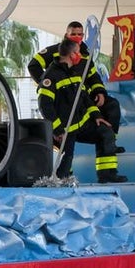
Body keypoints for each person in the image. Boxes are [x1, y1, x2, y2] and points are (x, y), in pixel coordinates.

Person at [38, 37, 127, 183]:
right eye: (78, 52)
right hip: (66, 130)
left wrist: (97, 115)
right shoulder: (50, 76)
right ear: (72, 54)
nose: (81, 55)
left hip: (83, 123)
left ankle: (107, 175)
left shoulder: (75, 72)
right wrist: (58, 130)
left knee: (106, 133)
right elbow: (45, 106)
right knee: (66, 163)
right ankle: (61, 183)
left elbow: (85, 98)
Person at [28, 20, 124, 152]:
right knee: (67, 149)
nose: (77, 37)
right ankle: (60, 149)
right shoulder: (55, 51)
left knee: (112, 105)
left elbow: (93, 76)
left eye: (80, 34)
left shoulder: (85, 53)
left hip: (84, 95)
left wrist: (99, 92)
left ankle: (111, 141)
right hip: (64, 97)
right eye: (73, 34)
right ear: (66, 35)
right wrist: (48, 85)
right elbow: (33, 65)